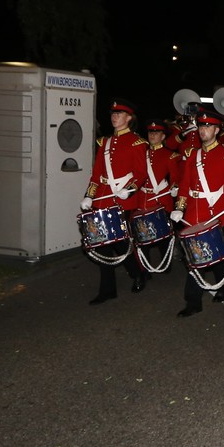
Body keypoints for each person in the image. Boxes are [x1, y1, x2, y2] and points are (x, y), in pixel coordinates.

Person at [173, 107, 224, 317]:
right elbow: (185, 184)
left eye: (208, 126)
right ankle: (193, 302)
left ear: (217, 130)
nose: (203, 130)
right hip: (192, 215)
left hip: (216, 214)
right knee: (195, 258)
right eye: (201, 126)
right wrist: (179, 207)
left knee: (218, 258)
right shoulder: (191, 154)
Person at [79, 99, 149, 303]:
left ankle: (138, 273)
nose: (114, 117)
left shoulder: (137, 142)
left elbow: (141, 174)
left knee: (120, 242)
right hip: (102, 198)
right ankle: (108, 290)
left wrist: (130, 190)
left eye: (119, 114)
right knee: (102, 244)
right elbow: (97, 174)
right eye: (113, 113)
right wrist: (89, 195)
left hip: (122, 200)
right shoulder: (105, 142)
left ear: (129, 118)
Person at [137, 119, 185, 272]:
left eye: (156, 133)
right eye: (151, 132)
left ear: (163, 137)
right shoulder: (140, 153)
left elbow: (175, 177)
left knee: (163, 236)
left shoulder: (169, 156)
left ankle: (165, 264)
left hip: (161, 200)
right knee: (142, 237)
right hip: (142, 198)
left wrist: (175, 187)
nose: (152, 135)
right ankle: (144, 270)